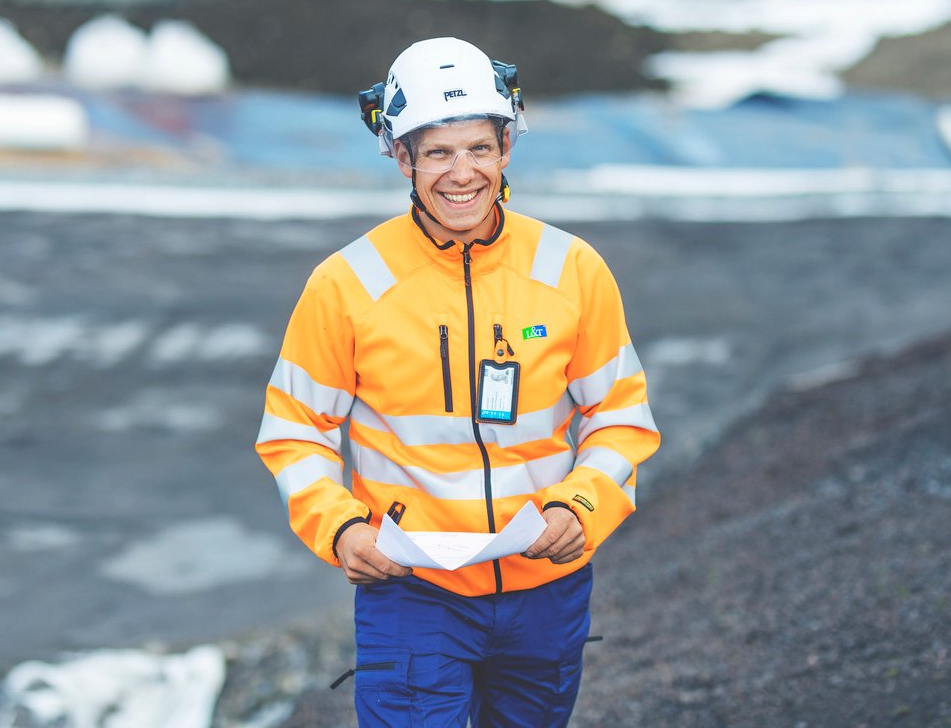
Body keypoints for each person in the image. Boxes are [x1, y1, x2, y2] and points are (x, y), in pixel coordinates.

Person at [255, 36, 660, 727]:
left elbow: (619, 418)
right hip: (412, 592)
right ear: (401, 156)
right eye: (438, 152)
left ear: (507, 146)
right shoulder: (346, 284)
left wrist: (581, 507)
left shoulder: (572, 269)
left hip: (547, 587)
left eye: (478, 148)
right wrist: (342, 528)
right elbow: (295, 431)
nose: (462, 173)